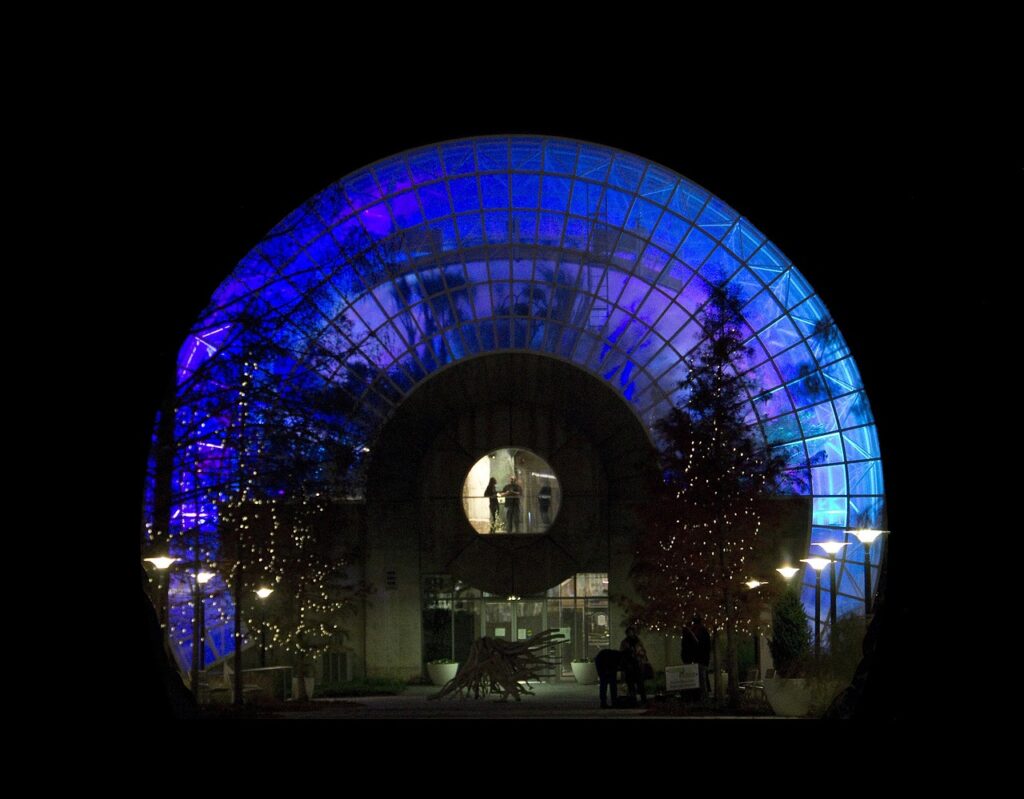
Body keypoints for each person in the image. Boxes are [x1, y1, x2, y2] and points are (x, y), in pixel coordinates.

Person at [619, 626, 648, 705]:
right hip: (629, 666)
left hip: (638, 665)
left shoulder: (638, 641)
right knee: (631, 685)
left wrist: (640, 655)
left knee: (640, 684)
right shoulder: (625, 642)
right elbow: (622, 654)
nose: (630, 634)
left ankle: (643, 700)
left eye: (632, 632)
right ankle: (633, 701)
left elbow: (643, 652)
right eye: (629, 632)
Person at [691, 614, 711, 698]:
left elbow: (702, 646)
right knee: (702, 677)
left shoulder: (700, 632)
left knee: (701, 678)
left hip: (701, 659)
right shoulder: (703, 631)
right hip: (703, 659)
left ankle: (703, 695)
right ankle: (704, 694)